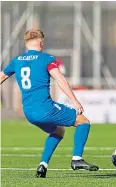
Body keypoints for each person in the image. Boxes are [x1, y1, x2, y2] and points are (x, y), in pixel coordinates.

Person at [0, 29, 99, 178]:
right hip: (45, 108)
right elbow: (60, 80)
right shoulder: (46, 58)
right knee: (83, 121)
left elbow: (1, 77)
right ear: (40, 41)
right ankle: (77, 159)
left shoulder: (17, 60)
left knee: (58, 131)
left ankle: (43, 165)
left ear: (26, 43)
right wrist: (75, 101)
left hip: (28, 112)